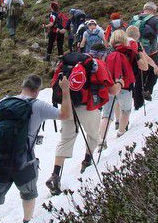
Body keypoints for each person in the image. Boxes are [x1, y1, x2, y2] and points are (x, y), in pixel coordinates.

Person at [0, 74, 71, 223]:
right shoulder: (38, 105)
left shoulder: (4, 102)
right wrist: (65, 91)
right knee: (28, 194)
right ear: (37, 91)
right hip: (24, 160)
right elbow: (65, 114)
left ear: (22, 86)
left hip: (0, 159)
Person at [46, 53, 119, 194]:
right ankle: (86, 162)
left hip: (67, 106)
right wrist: (120, 83)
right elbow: (111, 89)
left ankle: (55, 174)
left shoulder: (65, 64)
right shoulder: (95, 64)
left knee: (65, 140)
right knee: (93, 135)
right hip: (87, 106)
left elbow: (54, 82)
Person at [97, 30, 148, 143]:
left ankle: (101, 140)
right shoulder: (131, 52)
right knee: (126, 110)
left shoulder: (107, 53)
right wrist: (140, 53)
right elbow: (144, 67)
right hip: (125, 86)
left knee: (106, 115)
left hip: (109, 86)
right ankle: (121, 132)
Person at [129, 2, 158, 101]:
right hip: (151, 51)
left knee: (140, 72)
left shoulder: (134, 19)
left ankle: (137, 94)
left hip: (135, 50)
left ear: (144, 9)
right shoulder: (155, 19)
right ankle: (147, 91)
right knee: (155, 71)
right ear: (154, 10)